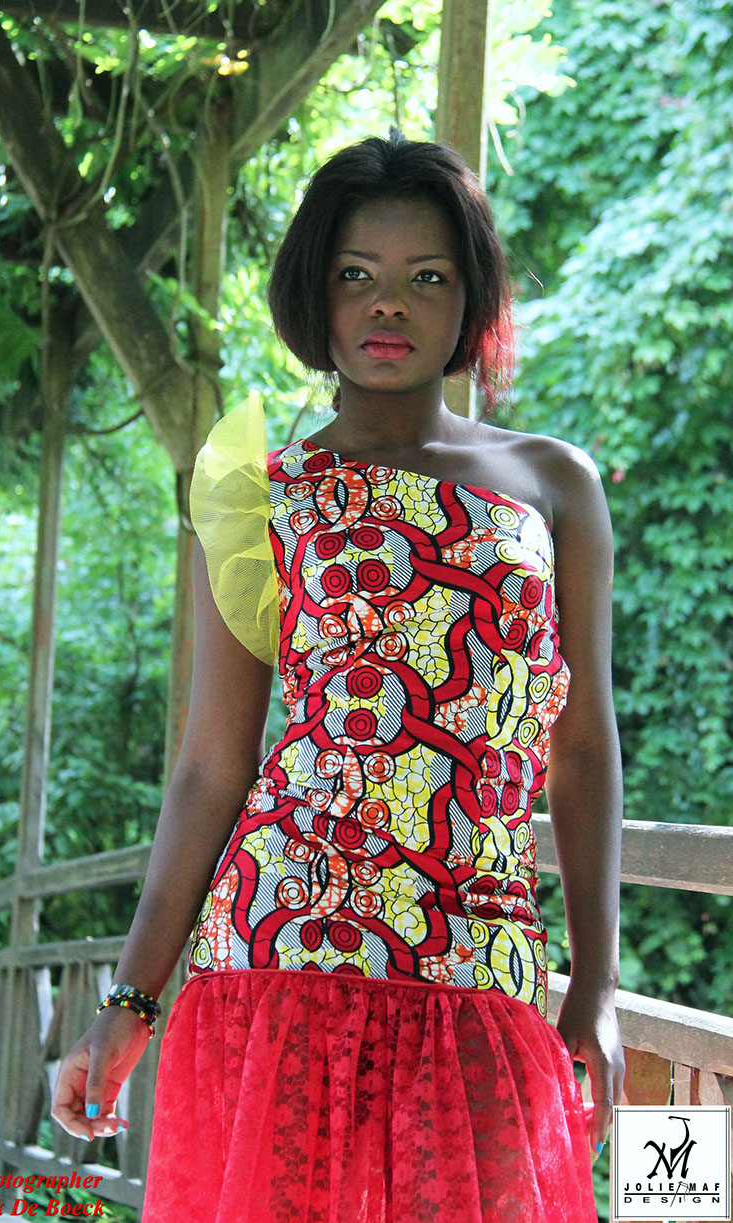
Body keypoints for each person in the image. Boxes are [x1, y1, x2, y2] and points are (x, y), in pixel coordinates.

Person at [52, 126, 625, 1221]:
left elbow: (584, 744)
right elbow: (210, 765)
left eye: (426, 277)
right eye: (355, 274)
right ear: (314, 293)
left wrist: (595, 981)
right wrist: (129, 1000)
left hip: (479, 948)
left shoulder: (555, 484)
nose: (387, 304)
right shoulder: (258, 492)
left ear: (471, 297)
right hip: (280, 945)